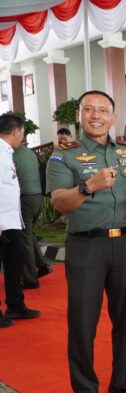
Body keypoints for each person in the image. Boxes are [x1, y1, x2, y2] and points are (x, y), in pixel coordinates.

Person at [46, 90, 126, 393]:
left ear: (113, 117)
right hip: (87, 246)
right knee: (83, 322)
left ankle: (122, 381)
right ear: (79, 116)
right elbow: (59, 203)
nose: (96, 115)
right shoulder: (64, 156)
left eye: (103, 110)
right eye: (89, 109)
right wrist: (87, 186)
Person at [0, 113, 40, 328]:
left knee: (15, 263)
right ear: (16, 131)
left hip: (11, 222)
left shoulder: (7, 151)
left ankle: (16, 305)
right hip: (1, 223)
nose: (22, 137)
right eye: (22, 133)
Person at [13, 139, 52, 289]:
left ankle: (30, 279)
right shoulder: (29, 153)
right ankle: (43, 265)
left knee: (24, 239)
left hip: (24, 199)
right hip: (37, 198)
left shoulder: (11, 154)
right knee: (28, 235)